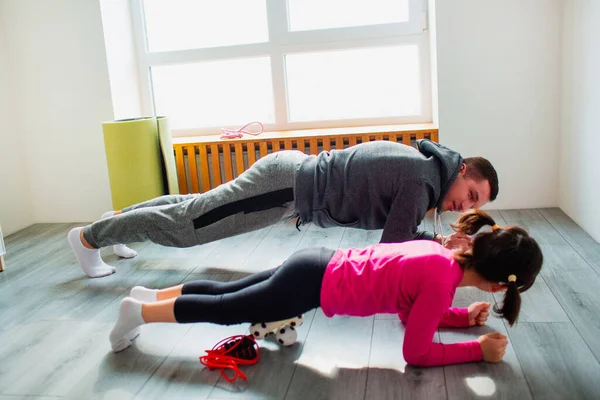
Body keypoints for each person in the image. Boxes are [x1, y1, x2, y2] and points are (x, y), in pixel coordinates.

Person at [109, 209, 542, 367]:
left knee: (236, 290)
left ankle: (153, 297)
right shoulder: (441, 285)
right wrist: (476, 350)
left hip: (317, 261)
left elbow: (412, 315)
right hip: (312, 285)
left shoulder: (439, 259)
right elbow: (416, 353)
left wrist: (461, 319)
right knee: (228, 307)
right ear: (495, 283)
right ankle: (140, 313)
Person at [69, 139, 499, 277]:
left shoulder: (424, 168)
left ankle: (117, 222)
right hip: (286, 187)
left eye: (474, 204)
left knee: (194, 207)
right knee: (190, 226)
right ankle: (90, 238)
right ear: (461, 171)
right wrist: (442, 247)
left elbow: (399, 230)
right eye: (472, 194)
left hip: (289, 181)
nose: (466, 204)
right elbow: (393, 244)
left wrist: (438, 238)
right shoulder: (422, 182)